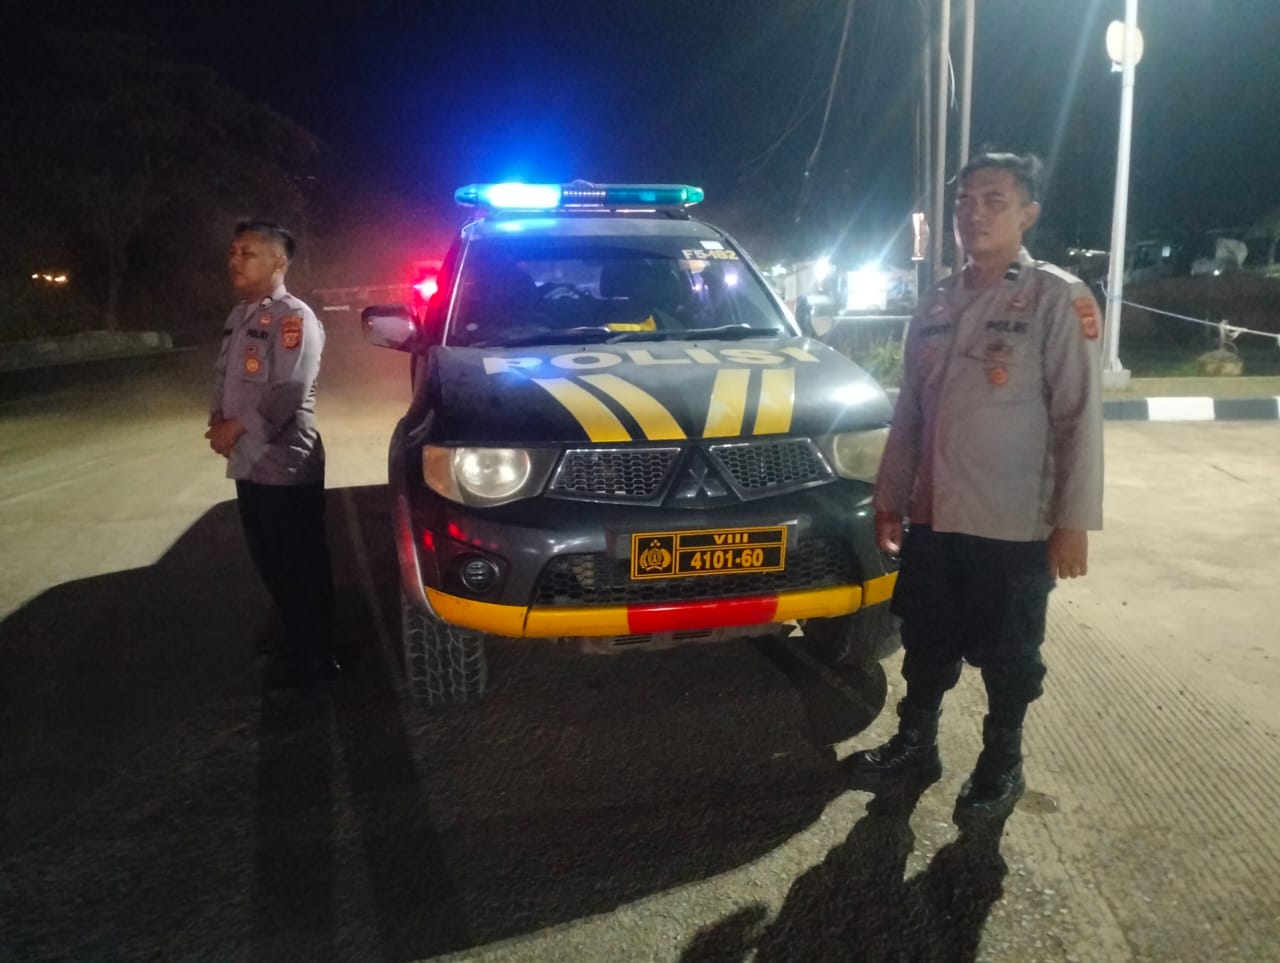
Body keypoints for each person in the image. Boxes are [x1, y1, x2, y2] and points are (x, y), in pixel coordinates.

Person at [849, 152, 1103, 820]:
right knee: (925, 636)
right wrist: (890, 497)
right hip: (935, 513)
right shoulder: (936, 300)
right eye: (965, 201)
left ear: (1028, 214)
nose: (975, 213)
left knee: (1011, 654)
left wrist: (1073, 520)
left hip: (1014, 521)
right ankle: (916, 744)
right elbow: (911, 411)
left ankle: (1001, 763)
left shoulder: (1056, 296)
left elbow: (1078, 416)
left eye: (994, 200)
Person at [206, 220, 338, 692]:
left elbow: (289, 391)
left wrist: (235, 427)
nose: (234, 261)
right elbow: (225, 376)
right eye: (233, 252)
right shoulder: (241, 315)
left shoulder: (294, 318)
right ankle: (295, 636)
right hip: (250, 462)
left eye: (247, 253)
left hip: (285, 464)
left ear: (279, 262)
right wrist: (218, 418)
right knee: (269, 559)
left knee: (298, 562)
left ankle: (319, 657)